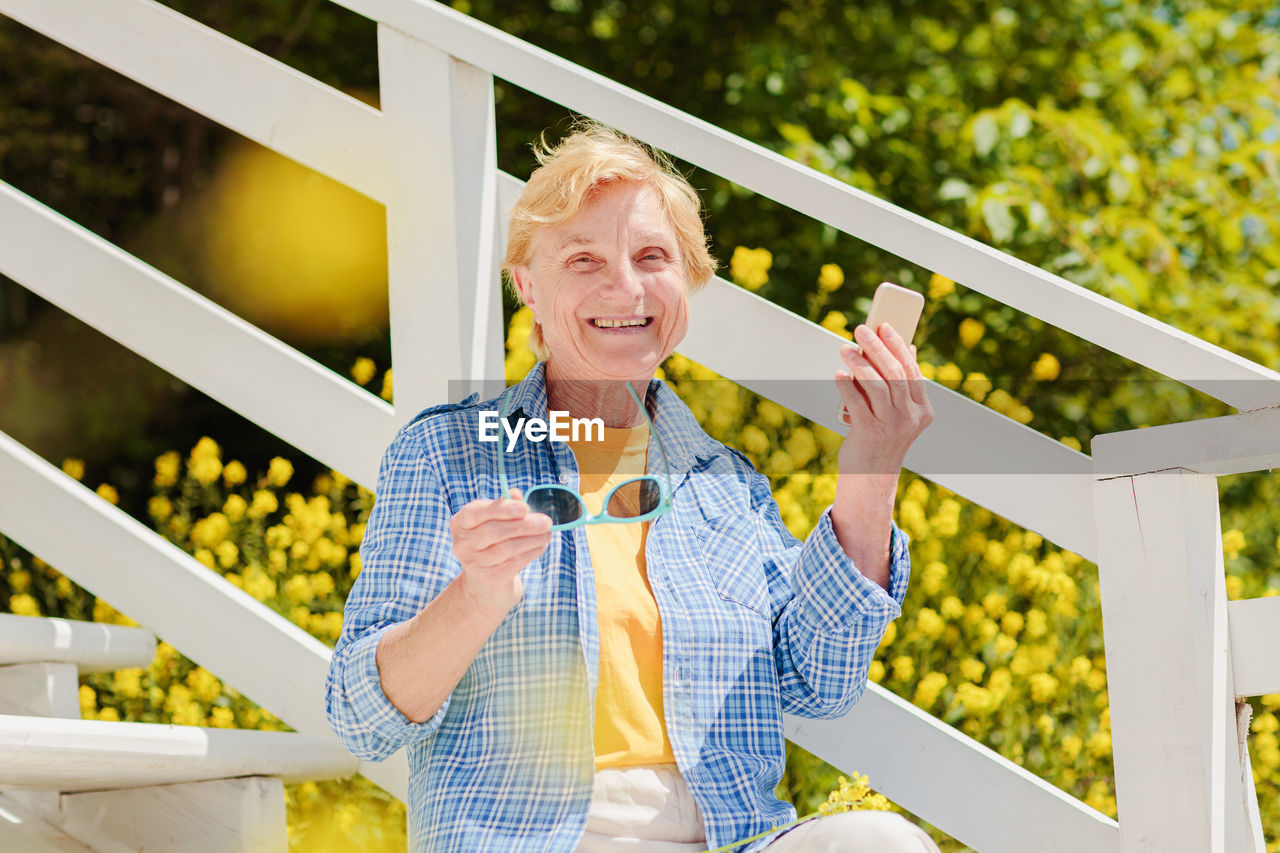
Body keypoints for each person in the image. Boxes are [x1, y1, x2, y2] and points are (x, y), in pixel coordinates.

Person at [325, 122, 938, 852]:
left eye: (652, 256)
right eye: (584, 259)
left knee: (881, 844)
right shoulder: (450, 453)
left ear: (686, 278)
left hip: (728, 837)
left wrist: (872, 462)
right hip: (533, 839)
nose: (625, 286)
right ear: (528, 286)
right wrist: (477, 595)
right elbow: (362, 717)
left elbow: (817, 682)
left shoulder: (723, 483)